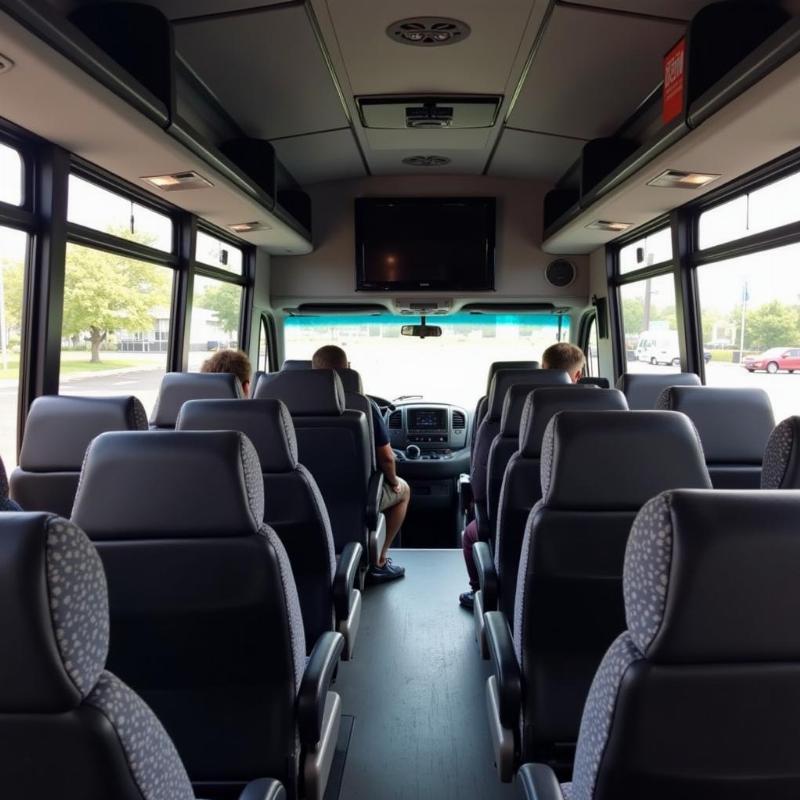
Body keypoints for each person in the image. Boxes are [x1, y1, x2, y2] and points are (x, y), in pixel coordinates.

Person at [458, 342, 586, 609]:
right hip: (583, 544)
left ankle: (478, 592)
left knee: (471, 535)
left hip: (508, 532)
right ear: (578, 376)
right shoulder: (595, 417)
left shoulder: (498, 423)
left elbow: (480, 488)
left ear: (543, 370)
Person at [311, 345, 410, 583]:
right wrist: (394, 481)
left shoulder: (289, 407)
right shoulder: (363, 405)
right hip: (356, 494)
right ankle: (378, 561)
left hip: (306, 493)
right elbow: (387, 458)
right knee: (404, 491)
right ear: (347, 369)